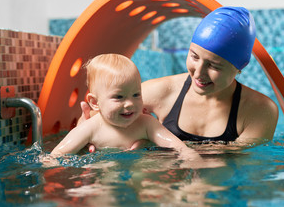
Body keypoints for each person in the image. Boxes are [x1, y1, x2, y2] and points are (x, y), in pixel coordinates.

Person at [81, 6, 279, 146]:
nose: (198, 73)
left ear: (239, 67)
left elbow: (239, 167)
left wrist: (153, 142)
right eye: (194, 56)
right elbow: (97, 119)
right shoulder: (161, 91)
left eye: (214, 65)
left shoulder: (259, 111)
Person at [50, 53, 199, 160]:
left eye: (136, 95)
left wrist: (190, 155)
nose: (130, 103)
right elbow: (57, 155)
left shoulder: (146, 123)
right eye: (119, 97)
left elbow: (176, 145)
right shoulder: (90, 128)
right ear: (95, 102)